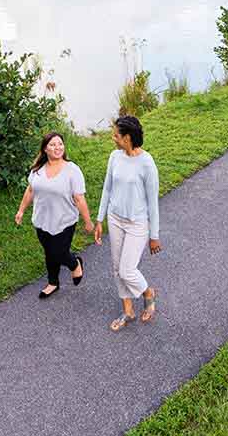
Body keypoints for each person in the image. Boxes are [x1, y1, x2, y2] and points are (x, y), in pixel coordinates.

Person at [93, 115, 161, 331]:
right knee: (116, 268)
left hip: (137, 224)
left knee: (127, 269)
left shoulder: (147, 163)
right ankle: (128, 310)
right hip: (115, 219)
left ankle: (148, 292)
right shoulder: (115, 156)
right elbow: (107, 188)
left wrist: (154, 236)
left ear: (128, 138)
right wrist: (99, 219)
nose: (113, 138)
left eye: (116, 135)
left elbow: (153, 203)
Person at [15, 132, 94, 300]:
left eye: (60, 144)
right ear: (45, 149)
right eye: (52, 144)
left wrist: (88, 221)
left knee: (59, 252)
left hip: (64, 220)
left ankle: (75, 264)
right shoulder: (38, 170)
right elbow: (30, 190)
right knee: (49, 252)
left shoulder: (72, 170)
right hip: (41, 220)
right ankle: (53, 283)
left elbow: (79, 198)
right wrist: (21, 210)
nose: (57, 147)